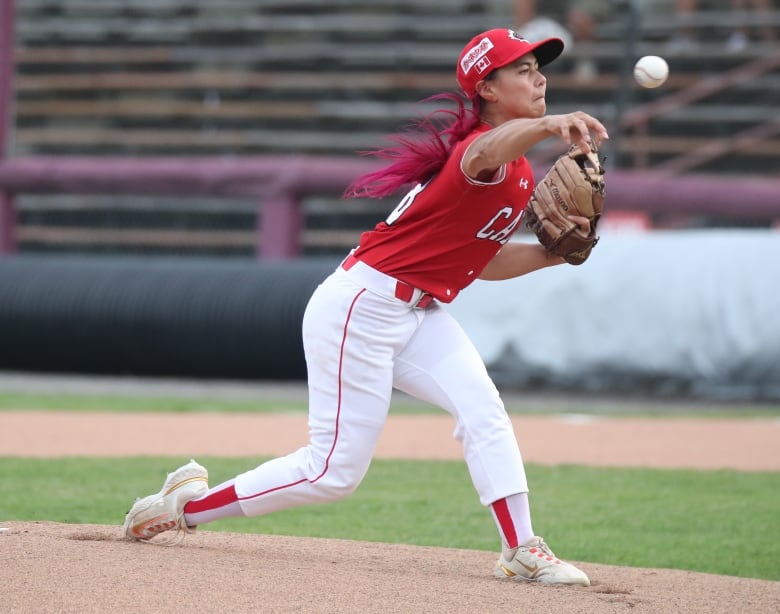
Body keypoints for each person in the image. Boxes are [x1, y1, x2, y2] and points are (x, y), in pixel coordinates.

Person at [123, 28, 608, 587]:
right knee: (332, 473)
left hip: (420, 313)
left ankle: (520, 547)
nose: (540, 77)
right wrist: (548, 126)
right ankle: (185, 508)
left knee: (484, 410)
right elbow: (489, 149)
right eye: (522, 69)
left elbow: (486, 260)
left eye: (539, 67)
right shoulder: (482, 152)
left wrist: (552, 256)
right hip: (362, 306)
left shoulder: (519, 172)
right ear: (488, 88)